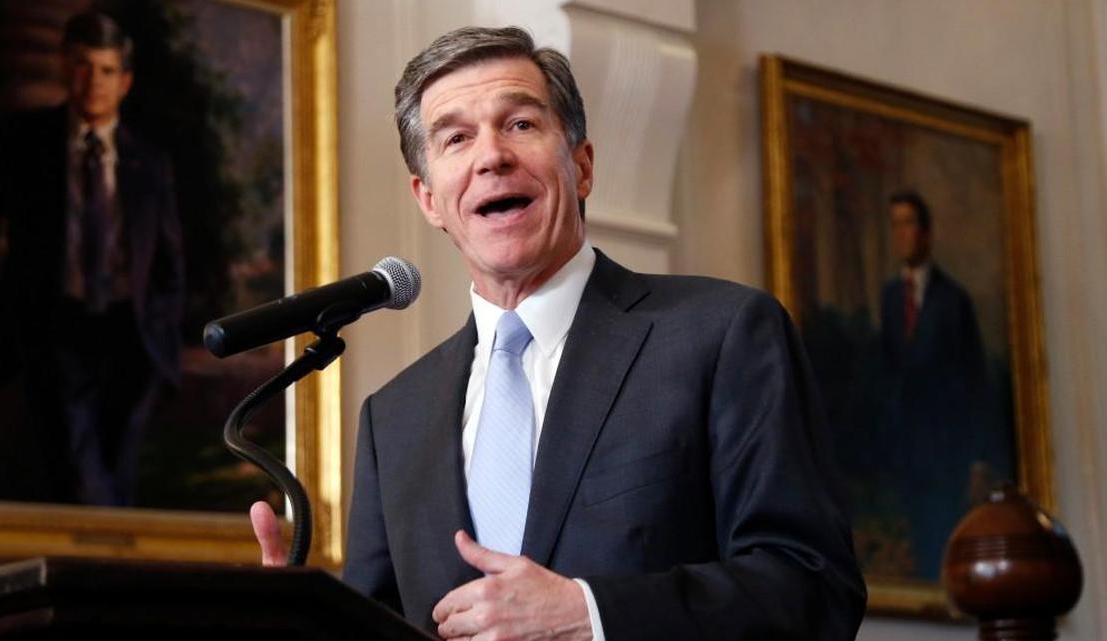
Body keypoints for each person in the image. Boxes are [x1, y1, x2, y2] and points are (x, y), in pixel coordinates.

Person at [253, 26, 865, 640]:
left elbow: (813, 587)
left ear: (582, 165)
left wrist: (589, 615)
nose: (491, 155)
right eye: (457, 138)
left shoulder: (722, 334)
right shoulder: (394, 418)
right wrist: (306, 627)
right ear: (430, 200)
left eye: (520, 124)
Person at [0, 11, 184, 506]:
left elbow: (168, 263)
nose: (94, 82)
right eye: (83, 66)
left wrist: (163, 330)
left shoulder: (148, 163)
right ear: (66, 69)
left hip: (129, 334)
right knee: (73, 465)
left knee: (118, 466)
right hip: (53, 327)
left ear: (125, 81)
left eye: (107, 70)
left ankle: (113, 561)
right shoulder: (24, 143)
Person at [879, 190, 987, 580]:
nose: (901, 234)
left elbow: (973, 382)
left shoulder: (953, 300)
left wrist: (976, 458)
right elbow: (888, 373)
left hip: (945, 452)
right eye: (895, 225)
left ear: (924, 232)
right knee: (915, 542)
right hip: (905, 452)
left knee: (942, 543)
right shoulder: (891, 297)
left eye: (908, 223)